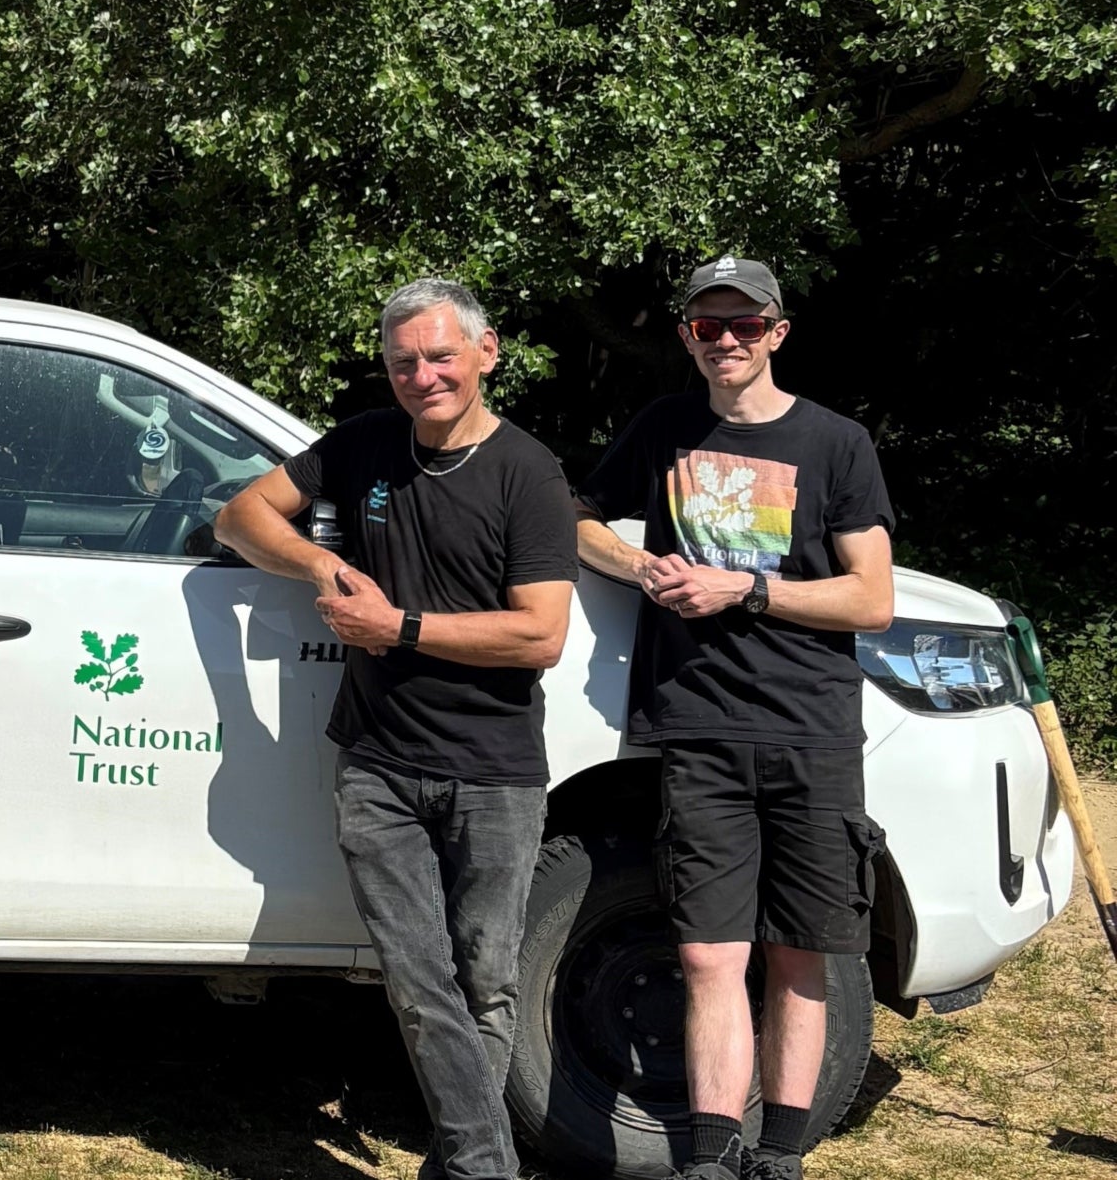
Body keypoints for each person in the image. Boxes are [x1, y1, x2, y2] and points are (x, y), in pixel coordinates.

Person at [215, 279, 579, 1180]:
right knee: (420, 985)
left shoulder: (529, 474)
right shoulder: (363, 446)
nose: (422, 375)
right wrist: (322, 567)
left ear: (486, 355)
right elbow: (240, 515)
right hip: (378, 763)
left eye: (440, 355)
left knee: (486, 985)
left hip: (494, 773)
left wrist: (401, 629)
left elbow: (542, 633)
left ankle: (463, 1166)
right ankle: (486, 1168)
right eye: (403, 360)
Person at [574, 257, 894, 1180]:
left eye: (744, 325)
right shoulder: (664, 429)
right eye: (707, 326)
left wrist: (744, 588)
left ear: (776, 333)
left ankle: (782, 1156)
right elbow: (579, 514)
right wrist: (640, 568)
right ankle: (713, 1157)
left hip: (810, 732)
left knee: (801, 957)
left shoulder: (837, 444)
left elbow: (869, 600)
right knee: (710, 954)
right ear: (686, 335)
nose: (726, 341)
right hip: (698, 730)